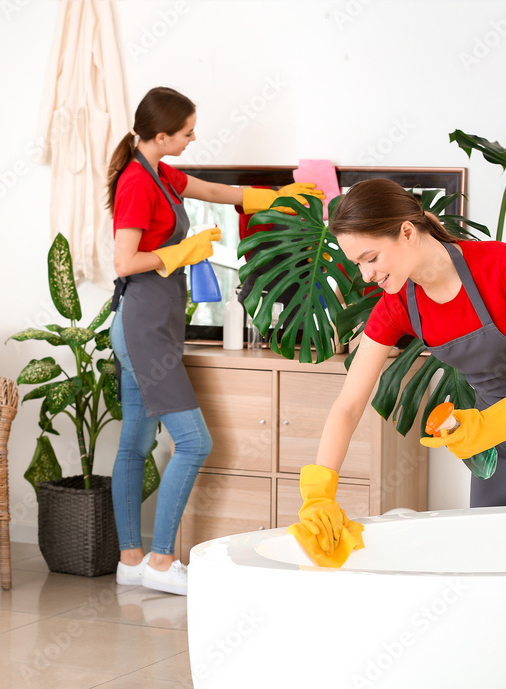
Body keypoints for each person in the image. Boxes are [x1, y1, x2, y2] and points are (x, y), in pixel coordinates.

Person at [289, 178, 506, 566]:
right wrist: (319, 493)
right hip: (502, 445)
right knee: (491, 560)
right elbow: (348, 405)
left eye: (371, 257)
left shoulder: (501, 265)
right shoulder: (398, 305)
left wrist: (494, 423)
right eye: (358, 264)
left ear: (407, 232)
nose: (366, 275)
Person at [107, 86, 322, 595]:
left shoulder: (161, 173)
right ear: (160, 135)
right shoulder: (137, 183)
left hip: (148, 328)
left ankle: (130, 561)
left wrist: (275, 198)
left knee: (135, 445)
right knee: (195, 442)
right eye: (186, 131)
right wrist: (179, 252)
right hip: (141, 329)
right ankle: (160, 562)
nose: (193, 136)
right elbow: (124, 262)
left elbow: (213, 191)